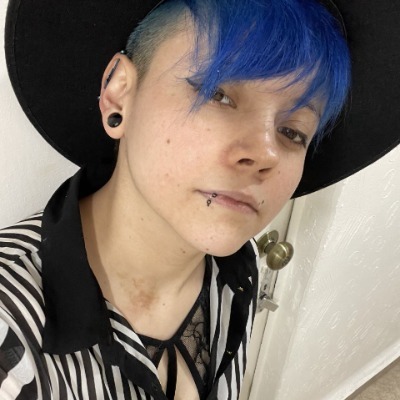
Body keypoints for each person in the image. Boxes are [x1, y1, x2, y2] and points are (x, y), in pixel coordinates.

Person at [0, 0, 397, 399]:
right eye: (219, 94)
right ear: (119, 94)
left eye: (293, 132)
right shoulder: (10, 336)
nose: (267, 154)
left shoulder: (235, 273)